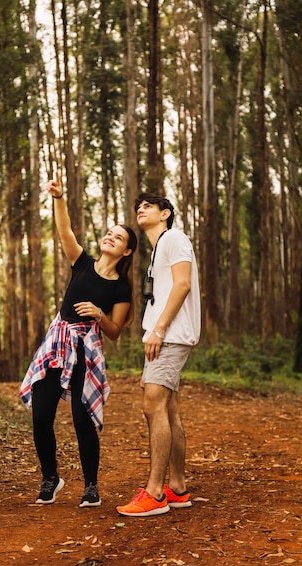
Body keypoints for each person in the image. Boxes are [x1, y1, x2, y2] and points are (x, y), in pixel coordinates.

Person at [20, 172, 137, 508]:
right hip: (57, 344)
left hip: (86, 349)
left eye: (119, 237)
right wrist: (59, 198)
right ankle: (50, 478)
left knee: (82, 418)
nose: (111, 237)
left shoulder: (120, 287)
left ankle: (90, 486)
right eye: (109, 232)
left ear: (127, 250)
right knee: (41, 416)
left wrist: (99, 314)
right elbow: (64, 230)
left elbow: (115, 331)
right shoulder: (82, 263)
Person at [116, 192, 201, 517]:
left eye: (148, 206)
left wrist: (160, 330)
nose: (140, 209)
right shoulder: (160, 248)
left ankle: (154, 493)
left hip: (170, 335)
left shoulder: (174, 238)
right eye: (138, 206)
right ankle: (177, 487)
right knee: (169, 409)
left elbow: (182, 285)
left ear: (165, 213)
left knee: (153, 406)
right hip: (164, 336)